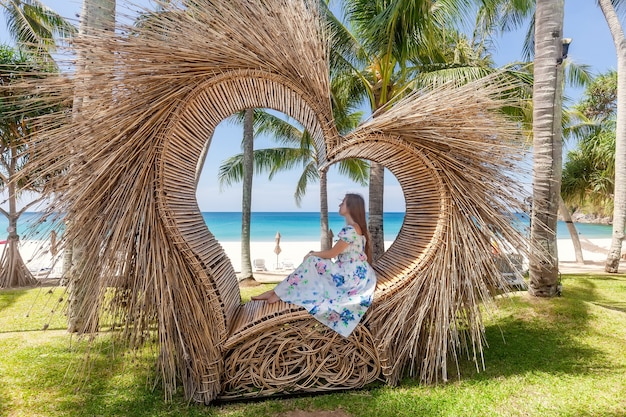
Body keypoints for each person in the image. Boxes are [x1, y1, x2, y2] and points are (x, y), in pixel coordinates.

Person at [251, 193, 377, 337]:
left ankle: (276, 293)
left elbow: (332, 254)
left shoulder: (350, 230)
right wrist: (314, 253)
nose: (339, 205)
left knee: (312, 261)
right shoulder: (355, 228)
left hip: (349, 276)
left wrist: (312, 254)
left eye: (343, 202)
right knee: (313, 261)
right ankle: (276, 292)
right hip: (355, 273)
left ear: (351, 207)